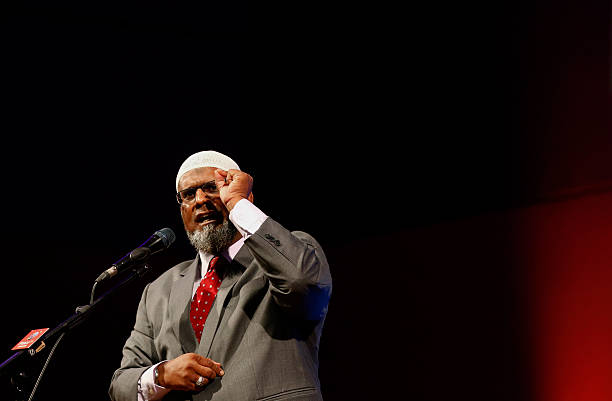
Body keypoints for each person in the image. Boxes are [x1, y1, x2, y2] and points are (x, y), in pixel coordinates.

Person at [109, 150, 332, 401]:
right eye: (189, 194)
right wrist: (161, 375)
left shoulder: (291, 252)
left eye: (212, 187)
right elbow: (121, 385)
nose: (200, 200)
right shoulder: (158, 291)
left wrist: (238, 202)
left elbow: (300, 282)